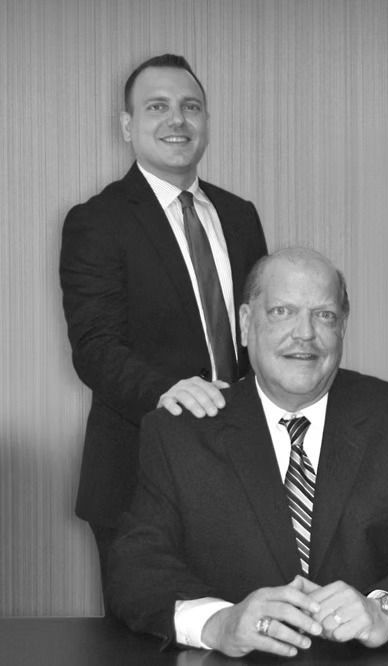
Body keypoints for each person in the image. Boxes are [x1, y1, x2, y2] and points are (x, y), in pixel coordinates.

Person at [106, 247, 388, 657]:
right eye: (283, 311)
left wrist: (384, 612)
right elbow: (134, 568)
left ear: (342, 328)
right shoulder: (181, 431)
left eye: (325, 315)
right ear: (246, 324)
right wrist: (217, 623)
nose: (305, 333)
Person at [59, 54, 268, 580]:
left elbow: (257, 332)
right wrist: (167, 391)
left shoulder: (240, 216)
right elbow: (96, 347)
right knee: (141, 645)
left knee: (246, 636)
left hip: (244, 473)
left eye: (190, 107)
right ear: (127, 125)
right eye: (157, 107)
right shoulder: (97, 221)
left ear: (205, 123)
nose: (177, 120)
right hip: (138, 476)